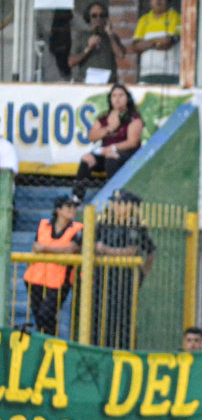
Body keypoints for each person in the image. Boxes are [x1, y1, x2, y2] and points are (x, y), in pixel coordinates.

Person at [92, 190, 156, 349]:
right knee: (100, 319)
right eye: (115, 203)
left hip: (125, 280)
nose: (115, 206)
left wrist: (142, 275)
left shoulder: (135, 226)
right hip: (104, 278)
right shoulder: (105, 223)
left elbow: (134, 251)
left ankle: (123, 352)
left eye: (120, 204)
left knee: (123, 320)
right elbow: (91, 245)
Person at [23, 195, 83, 336]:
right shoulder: (44, 224)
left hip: (59, 281)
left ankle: (48, 342)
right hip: (35, 278)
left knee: (45, 315)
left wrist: (45, 249)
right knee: (40, 318)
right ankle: (46, 345)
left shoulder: (78, 228)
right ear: (58, 210)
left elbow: (70, 250)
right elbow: (35, 247)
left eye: (74, 207)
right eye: (69, 206)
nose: (73, 210)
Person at [74, 84, 144, 201]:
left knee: (111, 157)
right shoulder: (104, 117)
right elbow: (92, 136)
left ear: (127, 98)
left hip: (126, 154)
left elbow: (132, 142)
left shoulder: (133, 117)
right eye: (114, 96)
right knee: (87, 159)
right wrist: (110, 128)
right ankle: (76, 197)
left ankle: (113, 195)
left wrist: (113, 148)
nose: (117, 99)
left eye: (121, 95)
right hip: (105, 152)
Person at [132, 0, 181, 85]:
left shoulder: (174, 17)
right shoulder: (144, 20)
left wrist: (146, 44)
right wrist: (155, 43)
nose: (158, 0)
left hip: (169, 74)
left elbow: (167, 42)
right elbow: (135, 47)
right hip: (147, 74)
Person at [68, 2, 125, 83]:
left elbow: (120, 54)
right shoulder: (82, 36)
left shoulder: (111, 36)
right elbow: (71, 62)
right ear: (89, 18)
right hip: (88, 82)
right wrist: (89, 48)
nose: (98, 19)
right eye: (94, 16)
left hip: (108, 82)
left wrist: (109, 34)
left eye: (101, 16)